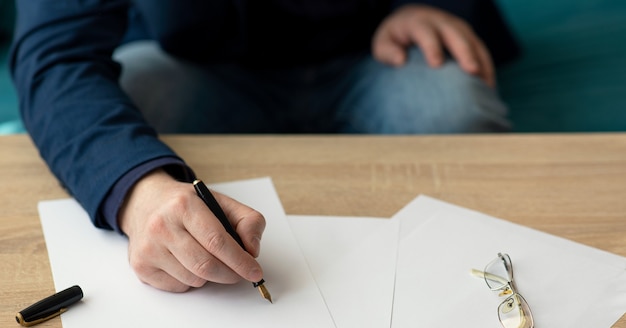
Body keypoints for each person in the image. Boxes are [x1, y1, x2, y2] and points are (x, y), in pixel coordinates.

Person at [10, 1, 519, 293]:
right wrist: (137, 190)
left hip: (375, 50)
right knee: (139, 91)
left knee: (453, 107)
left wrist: (431, 3)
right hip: (198, 65)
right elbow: (56, 53)